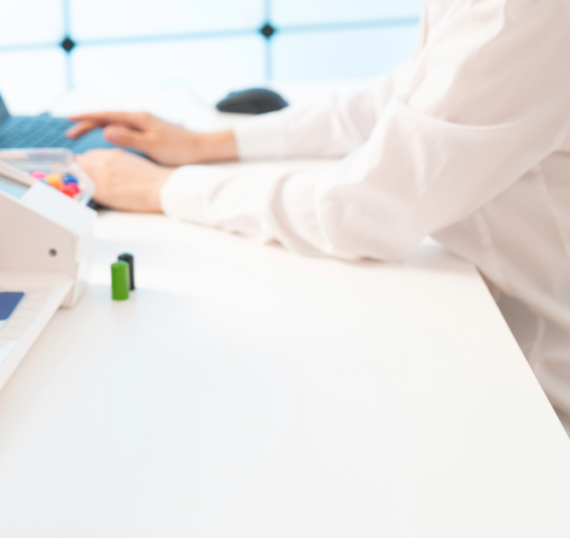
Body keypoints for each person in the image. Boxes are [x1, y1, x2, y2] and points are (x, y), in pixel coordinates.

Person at [68, 0, 570, 435]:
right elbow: (404, 96)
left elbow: (368, 210)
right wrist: (207, 144)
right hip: (497, 338)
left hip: (541, 389)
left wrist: (161, 188)